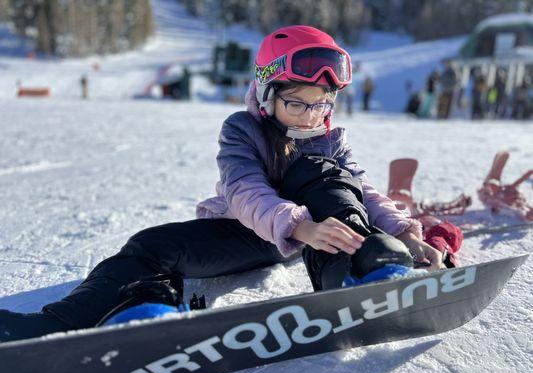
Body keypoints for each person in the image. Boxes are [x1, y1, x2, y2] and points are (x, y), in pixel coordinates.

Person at [0, 25, 444, 343]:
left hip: (322, 238)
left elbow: (363, 193)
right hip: (250, 231)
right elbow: (243, 190)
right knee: (149, 244)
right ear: (268, 93)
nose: (311, 116)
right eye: (296, 103)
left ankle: (366, 272)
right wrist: (297, 225)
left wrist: (406, 234)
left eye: (321, 105)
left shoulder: (329, 138)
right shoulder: (241, 130)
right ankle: (105, 316)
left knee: (330, 178)